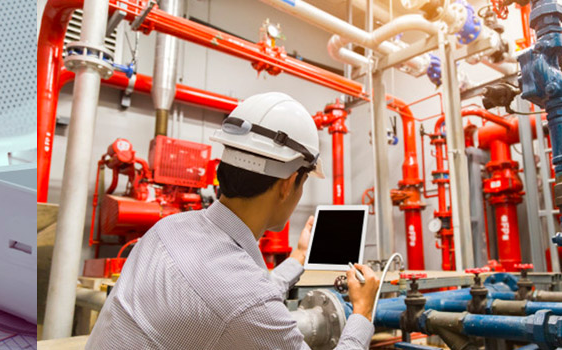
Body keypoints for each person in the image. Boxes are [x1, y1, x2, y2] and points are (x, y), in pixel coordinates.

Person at [84, 92, 380, 349]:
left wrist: (298, 258)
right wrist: (363, 312)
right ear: (288, 184)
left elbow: (238, 297)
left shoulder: (166, 229)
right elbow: (244, 302)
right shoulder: (246, 302)